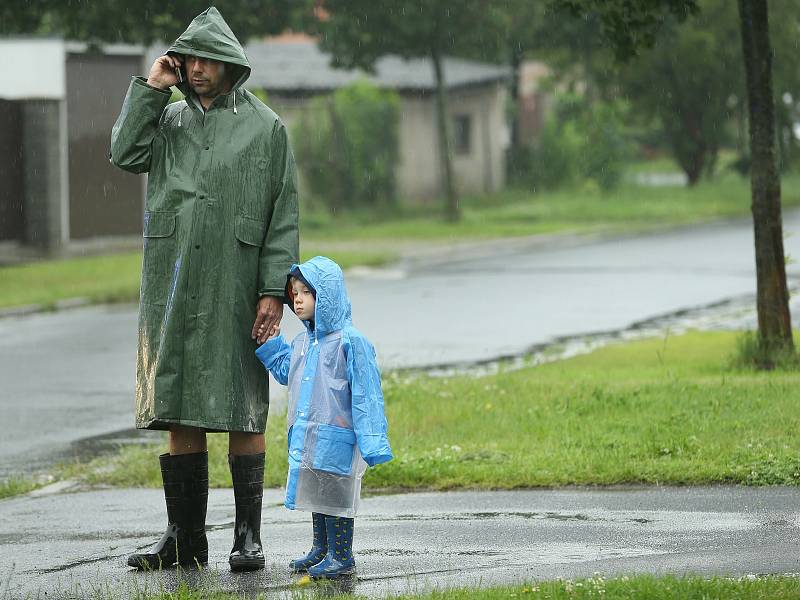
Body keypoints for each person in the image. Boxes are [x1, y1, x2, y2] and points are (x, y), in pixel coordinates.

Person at [109, 7, 299, 572]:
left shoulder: (266, 127)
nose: (195, 69)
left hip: (238, 284)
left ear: (229, 64)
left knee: (243, 406)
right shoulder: (166, 121)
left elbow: (282, 216)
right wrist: (150, 87)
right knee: (179, 407)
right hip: (173, 281)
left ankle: (247, 537)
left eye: (206, 60)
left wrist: (273, 289)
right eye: (188, 58)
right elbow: (124, 153)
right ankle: (184, 539)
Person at [255, 256, 393, 579]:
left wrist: (372, 439)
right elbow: (288, 371)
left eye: (306, 292)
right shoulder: (304, 342)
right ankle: (321, 548)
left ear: (326, 296)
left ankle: (342, 556)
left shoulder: (350, 341)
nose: (297, 299)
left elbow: (366, 393)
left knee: (335, 496)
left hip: (339, 437)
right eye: (295, 292)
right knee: (317, 491)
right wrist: (270, 344)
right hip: (310, 435)